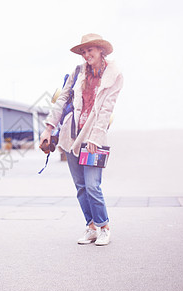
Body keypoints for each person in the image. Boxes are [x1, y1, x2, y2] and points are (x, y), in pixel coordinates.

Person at [40, 33, 123, 246]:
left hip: (93, 137)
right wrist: (48, 128)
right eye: (83, 51)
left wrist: (95, 137)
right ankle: (91, 227)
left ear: (101, 50)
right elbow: (61, 101)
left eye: (90, 50)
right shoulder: (77, 72)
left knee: (93, 185)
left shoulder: (114, 75)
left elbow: (107, 109)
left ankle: (104, 227)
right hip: (71, 136)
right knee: (80, 186)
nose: (86, 55)